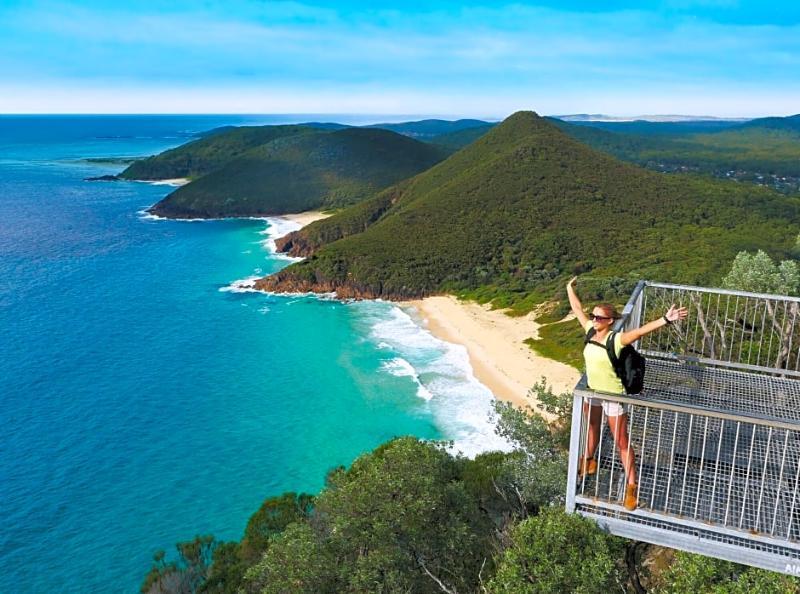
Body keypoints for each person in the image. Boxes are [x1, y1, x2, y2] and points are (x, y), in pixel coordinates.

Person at [566, 277, 688, 511]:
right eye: (593, 316)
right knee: (591, 429)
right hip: (593, 392)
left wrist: (665, 319)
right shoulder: (590, 331)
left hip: (614, 397)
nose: (594, 319)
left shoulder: (616, 339)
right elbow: (577, 309)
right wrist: (569, 288)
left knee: (622, 442)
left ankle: (632, 487)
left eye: (599, 317)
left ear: (610, 321)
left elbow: (640, 331)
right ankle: (588, 462)